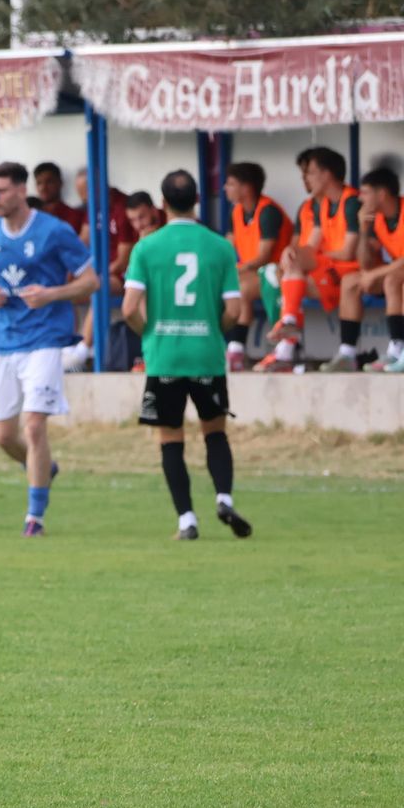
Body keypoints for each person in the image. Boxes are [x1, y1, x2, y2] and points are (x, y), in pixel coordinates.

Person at [0, 162, 97, 536]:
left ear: (21, 191)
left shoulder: (54, 231)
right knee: (4, 437)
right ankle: (44, 469)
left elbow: (91, 282)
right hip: (3, 343)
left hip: (44, 340)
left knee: (35, 425)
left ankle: (35, 516)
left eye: (1, 191)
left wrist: (52, 294)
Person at [122, 170, 253, 541]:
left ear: (162, 204)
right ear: (197, 200)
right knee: (215, 431)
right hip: (206, 355)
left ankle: (187, 520)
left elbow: (130, 306)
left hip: (164, 356)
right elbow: (234, 308)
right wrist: (215, 329)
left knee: (170, 438)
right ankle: (224, 498)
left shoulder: (146, 247)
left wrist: (148, 332)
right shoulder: (220, 247)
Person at [265, 146, 357, 371]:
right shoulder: (323, 204)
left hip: (349, 269)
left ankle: (286, 344)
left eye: (311, 172)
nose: (306, 178)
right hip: (328, 266)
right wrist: (291, 251)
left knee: (291, 280)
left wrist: (305, 255)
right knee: (290, 271)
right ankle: (288, 331)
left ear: (327, 174)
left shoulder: (352, 201)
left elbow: (348, 252)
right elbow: (311, 245)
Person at [321, 166, 404, 372]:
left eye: (366, 192)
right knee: (350, 281)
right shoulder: (376, 220)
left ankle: (397, 349)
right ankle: (347, 354)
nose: (361, 198)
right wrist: (364, 232)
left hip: (396, 274)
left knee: (391, 280)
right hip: (395, 271)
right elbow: (365, 263)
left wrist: (376, 273)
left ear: (382, 193)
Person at [62, 169, 139, 371]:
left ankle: (84, 349)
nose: (84, 200)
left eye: (85, 194)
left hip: (122, 276)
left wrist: (92, 276)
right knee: (62, 288)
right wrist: (69, 266)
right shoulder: (93, 206)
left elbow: (124, 260)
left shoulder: (122, 207)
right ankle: (69, 344)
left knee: (98, 285)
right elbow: (81, 241)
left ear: (97, 187)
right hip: (100, 270)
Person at [222, 162, 292, 372]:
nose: (226, 188)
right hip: (254, 273)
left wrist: (237, 269)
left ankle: (238, 350)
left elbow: (264, 256)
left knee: (239, 287)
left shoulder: (268, 211)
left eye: (231, 183)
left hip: (277, 272)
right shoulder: (236, 212)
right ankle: (233, 350)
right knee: (226, 285)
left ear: (246, 187)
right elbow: (226, 247)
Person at [34, 162, 86, 233]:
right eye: (39, 183)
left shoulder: (76, 216)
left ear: (60, 183)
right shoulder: (32, 218)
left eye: (49, 182)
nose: (43, 187)